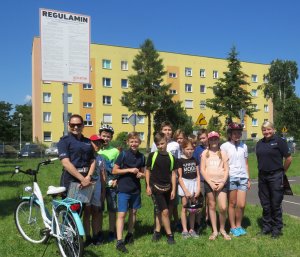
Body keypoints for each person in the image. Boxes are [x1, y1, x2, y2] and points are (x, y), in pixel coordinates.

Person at [57, 114, 96, 246]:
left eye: (78, 125)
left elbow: (92, 160)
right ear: (69, 125)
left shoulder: (87, 141)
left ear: (83, 125)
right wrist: (82, 179)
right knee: (70, 212)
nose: (75, 127)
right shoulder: (64, 141)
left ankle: (75, 238)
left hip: (86, 179)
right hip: (71, 180)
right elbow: (66, 163)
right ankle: (67, 241)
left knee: (80, 210)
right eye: (73, 125)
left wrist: (88, 177)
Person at [255, 121, 292, 239]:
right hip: (262, 176)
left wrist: (282, 171)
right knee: (265, 204)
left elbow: (289, 159)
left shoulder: (279, 141)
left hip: (276, 176)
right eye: (264, 130)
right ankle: (266, 227)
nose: (267, 132)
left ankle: (277, 229)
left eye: (269, 129)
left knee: (275, 203)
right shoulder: (259, 143)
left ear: (273, 129)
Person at [112, 132, 146, 253]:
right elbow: (114, 170)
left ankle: (130, 235)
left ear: (139, 143)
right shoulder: (123, 154)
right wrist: (129, 170)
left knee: (133, 212)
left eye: (136, 141)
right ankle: (119, 241)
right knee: (122, 214)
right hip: (123, 189)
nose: (134, 144)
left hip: (135, 189)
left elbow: (143, 173)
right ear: (128, 142)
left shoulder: (142, 157)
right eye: (131, 141)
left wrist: (141, 175)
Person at [146, 132, 177, 244]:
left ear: (166, 142)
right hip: (155, 188)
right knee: (165, 211)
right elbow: (148, 171)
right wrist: (148, 186)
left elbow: (173, 174)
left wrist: (173, 189)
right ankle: (170, 235)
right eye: (158, 144)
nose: (160, 146)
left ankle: (157, 231)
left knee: (159, 210)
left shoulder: (171, 157)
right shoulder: (152, 156)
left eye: (162, 143)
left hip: (168, 188)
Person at [221, 123, 250, 237]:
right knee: (232, 203)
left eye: (239, 133)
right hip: (231, 177)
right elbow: (223, 163)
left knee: (241, 204)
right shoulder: (225, 146)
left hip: (243, 177)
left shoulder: (244, 146)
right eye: (234, 133)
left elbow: (246, 163)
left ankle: (239, 225)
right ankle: (232, 227)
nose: (237, 135)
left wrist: (248, 178)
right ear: (230, 134)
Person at [200, 131, 230, 241]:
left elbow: (227, 169)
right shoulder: (205, 153)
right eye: (211, 139)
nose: (213, 141)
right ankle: (215, 231)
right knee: (212, 206)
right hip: (209, 183)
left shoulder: (223, 153)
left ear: (218, 140)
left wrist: (222, 183)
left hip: (222, 183)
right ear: (208, 141)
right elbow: (202, 169)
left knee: (222, 207)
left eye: (215, 139)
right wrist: (210, 182)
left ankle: (222, 229)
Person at [151, 122, 181, 231]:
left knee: (172, 204)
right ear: (161, 131)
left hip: (172, 178)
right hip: (158, 180)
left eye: (169, 130)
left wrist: (178, 177)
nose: (167, 132)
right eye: (165, 130)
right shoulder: (156, 144)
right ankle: (157, 227)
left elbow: (178, 162)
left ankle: (170, 224)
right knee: (158, 206)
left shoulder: (176, 145)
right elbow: (152, 161)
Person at [98, 124, 120, 242]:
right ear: (100, 136)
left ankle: (112, 231)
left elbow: (119, 166)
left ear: (111, 138)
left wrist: (117, 179)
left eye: (108, 136)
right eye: (103, 136)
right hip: (99, 186)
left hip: (111, 185)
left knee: (112, 209)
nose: (105, 138)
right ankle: (100, 231)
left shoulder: (115, 151)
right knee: (99, 210)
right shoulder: (96, 149)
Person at [84, 135, 106, 246]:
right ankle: (87, 237)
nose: (98, 145)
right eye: (95, 143)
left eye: (100, 143)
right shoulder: (85, 156)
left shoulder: (101, 158)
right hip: (86, 187)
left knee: (96, 212)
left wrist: (103, 191)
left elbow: (103, 175)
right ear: (90, 143)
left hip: (97, 188)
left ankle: (95, 236)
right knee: (87, 212)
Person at [178, 139, 201, 239]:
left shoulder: (195, 160)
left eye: (191, 149)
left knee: (192, 209)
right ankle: (184, 230)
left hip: (194, 184)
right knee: (184, 208)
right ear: (183, 149)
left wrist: (198, 188)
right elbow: (179, 177)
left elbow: (198, 175)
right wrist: (186, 191)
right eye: (187, 149)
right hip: (184, 185)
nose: (190, 151)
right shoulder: (180, 161)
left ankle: (192, 229)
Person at [193, 129, 209, 231]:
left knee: (210, 202)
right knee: (200, 201)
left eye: (204, 137)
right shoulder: (197, 149)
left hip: (212, 179)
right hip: (202, 179)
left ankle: (207, 220)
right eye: (200, 138)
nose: (202, 140)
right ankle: (197, 222)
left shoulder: (214, 147)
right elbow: (195, 164)